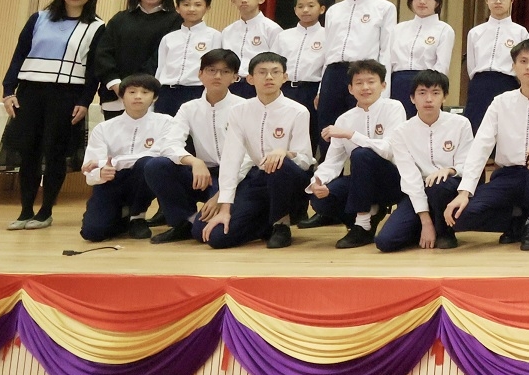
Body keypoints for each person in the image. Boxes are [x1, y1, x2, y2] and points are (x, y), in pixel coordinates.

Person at [1, 0, 104, 230]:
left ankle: (45, 212)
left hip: (67, 95)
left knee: (55, 153)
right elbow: (19, 54)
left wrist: (85, 100)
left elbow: (94, 69)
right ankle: (25, 211)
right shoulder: (39, 18)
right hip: (30, 92)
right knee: (29, 152)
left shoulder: (96, 26)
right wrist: (8, 90)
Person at [192, 51, 314, 249]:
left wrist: (284, 152)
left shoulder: (298, 111)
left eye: (275, 72)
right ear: (250, 79)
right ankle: (264, 222)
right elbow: (231, 159)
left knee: (279, 165)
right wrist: (225, 206)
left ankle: (281, 224)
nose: (269, 77)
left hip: (289, 179)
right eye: (262, 72)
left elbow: (305, 160)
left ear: (285, 77)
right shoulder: (239, 111)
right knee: (207, 234)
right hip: (257, 178)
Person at [445, 39, 529, 243]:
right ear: (513, 66)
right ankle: (516, 219)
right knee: (460, 217)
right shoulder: (501, 102)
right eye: (523, 61)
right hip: (509, 175)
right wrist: (465, 192)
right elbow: (481, 146)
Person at [140, 48, 242, 244]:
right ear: (200, 74)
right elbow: (169, 143)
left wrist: (223, 194)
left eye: (225, 71)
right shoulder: (189, 108)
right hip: (204, 176)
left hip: (236, 177)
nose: (217, 76)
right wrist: (194, 161)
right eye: (211, 70)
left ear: (235, 77)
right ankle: (183, 222)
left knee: (207, 234)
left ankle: (198, 223)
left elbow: (248, 158)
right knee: (156, 165)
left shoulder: (244, 107)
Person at [303, 59, 406, 248]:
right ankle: (369, 213)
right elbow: (333, 161)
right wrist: (317, 182)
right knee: (321, 200)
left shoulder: (394, 107)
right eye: (359, 83)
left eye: (371, 82)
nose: (365, 87)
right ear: (350, 89)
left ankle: (362, 224)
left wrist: (351, 134)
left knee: (361, 154)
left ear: (383, 85)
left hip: (392, 180)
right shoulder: (344, 119)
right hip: (361, 183)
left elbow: (388, 150)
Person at [374, 70, 472, 253]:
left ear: (444, 97)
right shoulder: (401, 132)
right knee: (385, 242)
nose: (429, 99)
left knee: (439, 185)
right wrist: (425, 221)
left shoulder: (461, 124)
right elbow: (410, 178)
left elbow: (468, 164)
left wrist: (450, 170)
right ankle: (426, 225)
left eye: (435, 93)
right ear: (412, 98)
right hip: (419, 190)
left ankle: (445, 233)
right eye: (422, 93)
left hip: (450, 186)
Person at [78, 74, 183, 242]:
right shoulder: (104, 128)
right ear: (122, 96)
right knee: (93, 232)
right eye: (132, 92)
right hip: (111, 181)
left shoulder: (166, 122)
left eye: (145, 92)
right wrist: (100, 172)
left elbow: (159, 156)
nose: (138, 96)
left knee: (148, 164)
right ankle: (122, 217)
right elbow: (90, 169)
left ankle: (137, 216)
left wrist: (109, 162)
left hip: (142, 179)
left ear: (155, 97)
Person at [315, 0, 396, 141]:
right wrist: (321, 88)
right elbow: (328, 52)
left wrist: (384, 90)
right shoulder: (334, 11)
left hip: (364, 73)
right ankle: (329, 162)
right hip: (333, 74)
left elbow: (386, 51)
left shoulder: (384, 8)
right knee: (327, 127)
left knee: (362, 127)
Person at [91, 0, 179, 119]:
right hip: (115, 95)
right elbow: (103, 53)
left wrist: (140, 87)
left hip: (153, 95)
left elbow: (163, 57)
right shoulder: (120, 18)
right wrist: (117, 85)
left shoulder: (176, 20)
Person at [463, 0, 528, 132]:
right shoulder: (475, 32)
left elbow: (522, 63)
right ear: (486, 0)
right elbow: (471, 65)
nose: (498, 1)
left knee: (505, 129)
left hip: (508, 84)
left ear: (512, 0)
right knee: (476, 128)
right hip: (480, 85)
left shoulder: (520, 32)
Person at [153, 0, 222, 115]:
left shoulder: (215, 36)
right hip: (167, 93)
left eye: (197, 5)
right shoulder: (168, 38)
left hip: (197, 92)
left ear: (207, 8)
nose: (191, 9)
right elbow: (161, 68)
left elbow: (216, 67)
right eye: (186, 5)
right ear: (178, 8)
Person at [390, 0, 454, 115]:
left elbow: (442, 67)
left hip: (427, 86)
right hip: (398, 84)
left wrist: (431, 91)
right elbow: (389, 61)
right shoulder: (398, 28)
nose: (422, 1)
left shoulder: (444, 29)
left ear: (437, 2)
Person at [219, 0, 281, 98]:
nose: (244, 0)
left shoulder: (272, 29)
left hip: (258, 84)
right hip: (230, 84)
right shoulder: (227, 31)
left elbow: (277, 62)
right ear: (233, 1)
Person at [277, 0, 326, 119]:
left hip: (312, 90)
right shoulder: (283, 36)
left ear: (321, 9)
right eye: (300, 6)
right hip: (285, 88)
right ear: (295, 10)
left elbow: (327, 67)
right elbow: (274, 63)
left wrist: (321, 92)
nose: (305, 10)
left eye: (311, 6)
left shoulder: (327, 35)